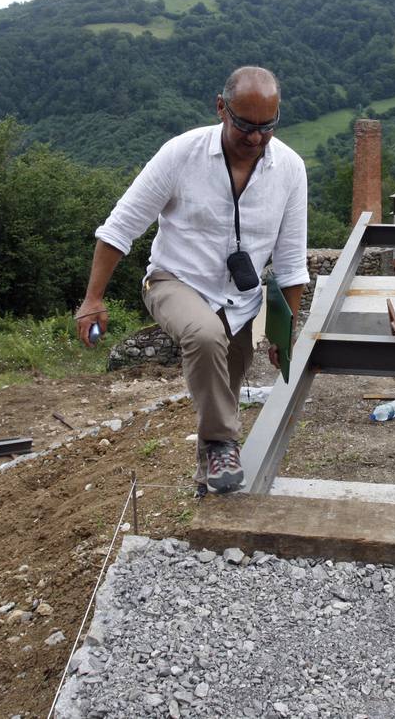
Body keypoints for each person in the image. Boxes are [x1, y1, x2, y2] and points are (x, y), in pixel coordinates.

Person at [74, 66, 308, 495]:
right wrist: (93, 298)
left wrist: (284, 333)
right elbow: (119, 228)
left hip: (240, 301)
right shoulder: (181, 154)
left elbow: (291, 263)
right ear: (221, 108)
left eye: (266, 127)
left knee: (223, 393)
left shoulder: (290, 170)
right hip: (173, 281)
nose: (255, 138)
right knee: (203, 336)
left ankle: (210, 485)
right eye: (244, 125)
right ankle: (222, 443)